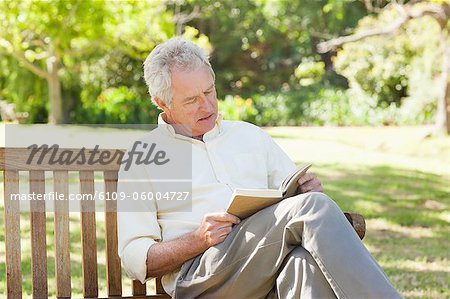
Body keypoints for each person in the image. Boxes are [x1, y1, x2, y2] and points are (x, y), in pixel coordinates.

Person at [117, 37, 401, 299]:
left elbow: (295, 206)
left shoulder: (249, 135)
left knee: (303, 264)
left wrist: (304, 191)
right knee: (314, 208)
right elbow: (134, 259)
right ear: (162, 103)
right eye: (191, 100)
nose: (207, 106)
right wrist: (197, 240)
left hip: (264, 268)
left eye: (209, 91)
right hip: (202, 277)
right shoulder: (144, 157)